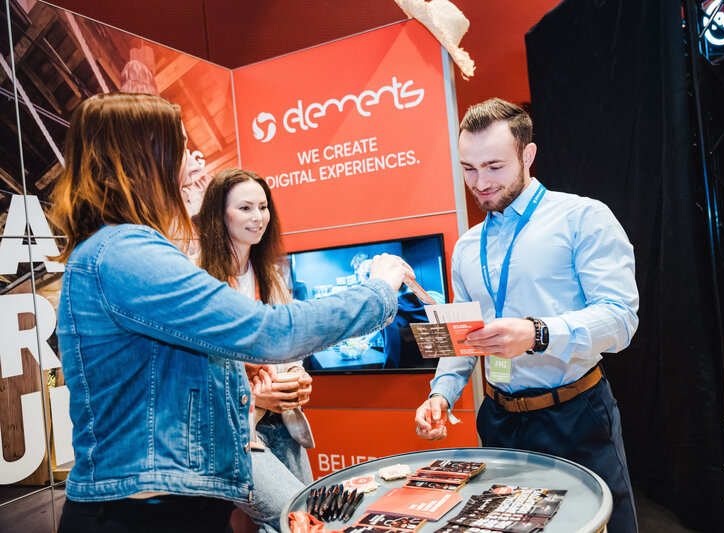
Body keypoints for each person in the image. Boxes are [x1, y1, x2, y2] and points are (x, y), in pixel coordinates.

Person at [50, 93, 413, 533]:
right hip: (140, 515)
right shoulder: (127, 254)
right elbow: (270, 331)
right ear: (148, 156)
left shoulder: (121, 251)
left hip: (169, 505)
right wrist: (376, 290)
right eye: (181, 147)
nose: (192, 161)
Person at [413, 98, 639, 533]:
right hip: (498, 421)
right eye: (469, 168)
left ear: (527, 155)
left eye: (494, 166)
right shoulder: (466, 246)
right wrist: (441, 394)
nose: (479, 183)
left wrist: (537, 333)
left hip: (574, 415)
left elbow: (620, 319)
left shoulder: (582, 218)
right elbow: (463, 337)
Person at [194, 168, 315, 533]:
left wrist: (297, 377)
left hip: (283, 420)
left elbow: (289, 346)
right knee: (293, 517)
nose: (258, 217)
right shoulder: (199, 280)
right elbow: (199, 374)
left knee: (307, 513)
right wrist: (257, 396)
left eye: (263, 207)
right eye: (245, 208)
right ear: (219, 214)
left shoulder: (270, 275)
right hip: (231, 430)